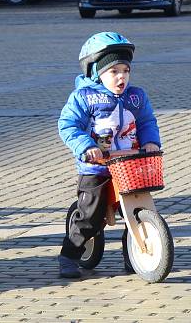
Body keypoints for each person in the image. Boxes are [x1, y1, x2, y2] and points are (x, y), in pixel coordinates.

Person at [57, 32, 161, 279]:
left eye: (126, 70)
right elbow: (68, 125)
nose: (121, 76)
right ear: (96, 72)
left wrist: (150, 142)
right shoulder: (84, 98)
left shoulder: (136, 97)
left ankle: (134, 256)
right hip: (97, 167)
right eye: (114, 71)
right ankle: (69, 255)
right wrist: (85, 146)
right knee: (91, 217)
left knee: (135, 210)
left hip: (129, 165)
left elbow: (147, 121)